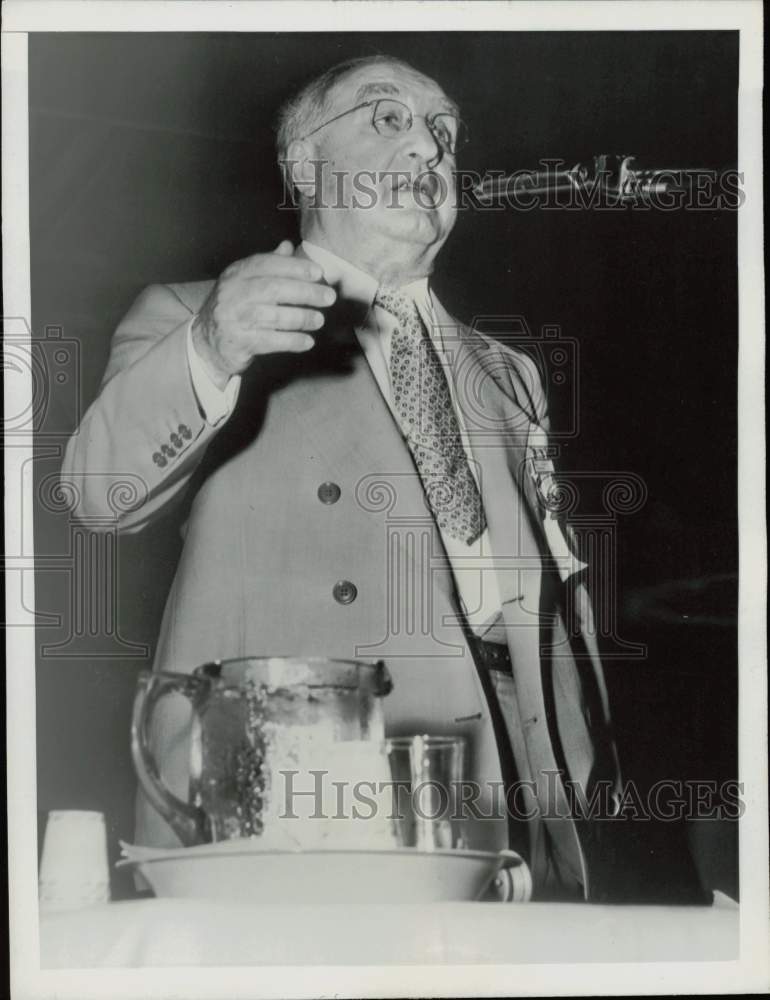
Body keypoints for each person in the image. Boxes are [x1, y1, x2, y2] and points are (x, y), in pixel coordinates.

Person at [62, 54, 623, 900]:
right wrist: (214, 349)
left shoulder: (508, 373)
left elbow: (551, 607)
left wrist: (581, 792)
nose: (430, 149)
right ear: (303, 164)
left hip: (506, 809)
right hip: (297, 810)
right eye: (387, 117)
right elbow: (95, 496)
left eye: (445, 133)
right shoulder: (195, 317)